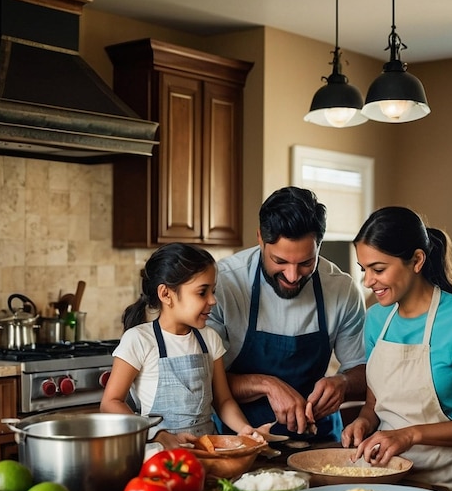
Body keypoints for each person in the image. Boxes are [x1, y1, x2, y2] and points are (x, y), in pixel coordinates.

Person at [342, 206, 452, 491]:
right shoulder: (376, 320)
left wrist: (409, 434)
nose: (368, 281)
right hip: (390, 479)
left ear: (416, 260)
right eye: (363, 269)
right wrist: (364, 421)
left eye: (378, 269)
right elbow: (374, 403)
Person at [206, 186, 367, 442]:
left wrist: (344, 383)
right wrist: (267, 385)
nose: (292, 276)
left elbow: (363, 370)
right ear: (260, 238)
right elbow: (205, 380)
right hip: (239, 439)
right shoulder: (224, 284)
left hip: (319, 440)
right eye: (280, 262)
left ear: (319, 246)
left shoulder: (341, 289)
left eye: (306, 263)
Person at [100, 243, 267, 449]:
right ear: (166, 294)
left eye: (213, 291)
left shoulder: (209, 338)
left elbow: (223, 401)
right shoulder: (139, 340)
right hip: (160, 455)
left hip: (208, 453)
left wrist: (244, 429)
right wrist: (158, 434)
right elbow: (111, 402)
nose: (213, 300)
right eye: (202, 292)